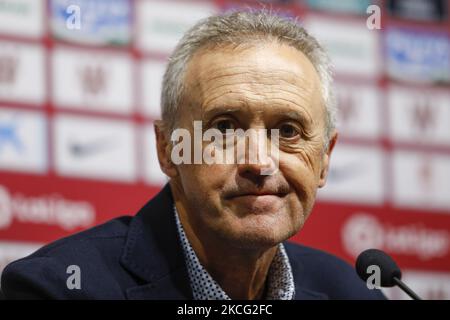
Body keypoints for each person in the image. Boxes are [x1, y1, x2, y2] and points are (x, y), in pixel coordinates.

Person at [1, 10, 385, 300]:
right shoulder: (56, 289)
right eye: (224, 128)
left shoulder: (354, 293)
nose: (260, 162)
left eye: (287, 131)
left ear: (325, 158)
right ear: (168, 150)